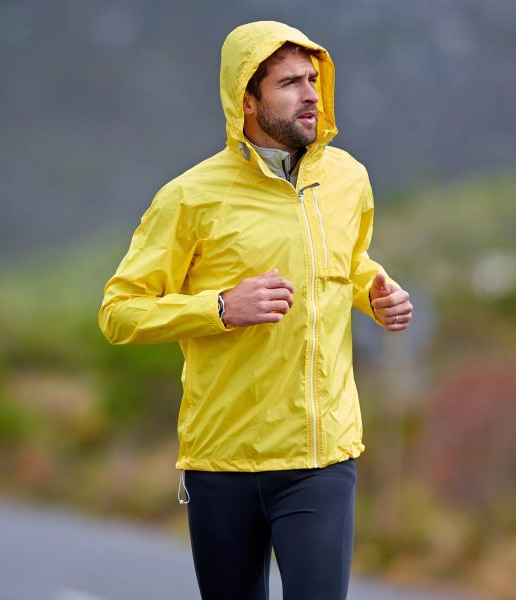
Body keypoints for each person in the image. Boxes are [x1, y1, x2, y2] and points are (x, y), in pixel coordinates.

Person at [97, 20, 412, 600]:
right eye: (290, 83)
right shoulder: (190, 196)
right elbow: (119, 312)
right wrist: (220, 307)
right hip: (223, 461)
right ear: (247, 97)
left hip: (321, 457)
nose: (312, 94)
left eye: (314, 79)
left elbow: (349, 261)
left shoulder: (348, 179)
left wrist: (376, 295)